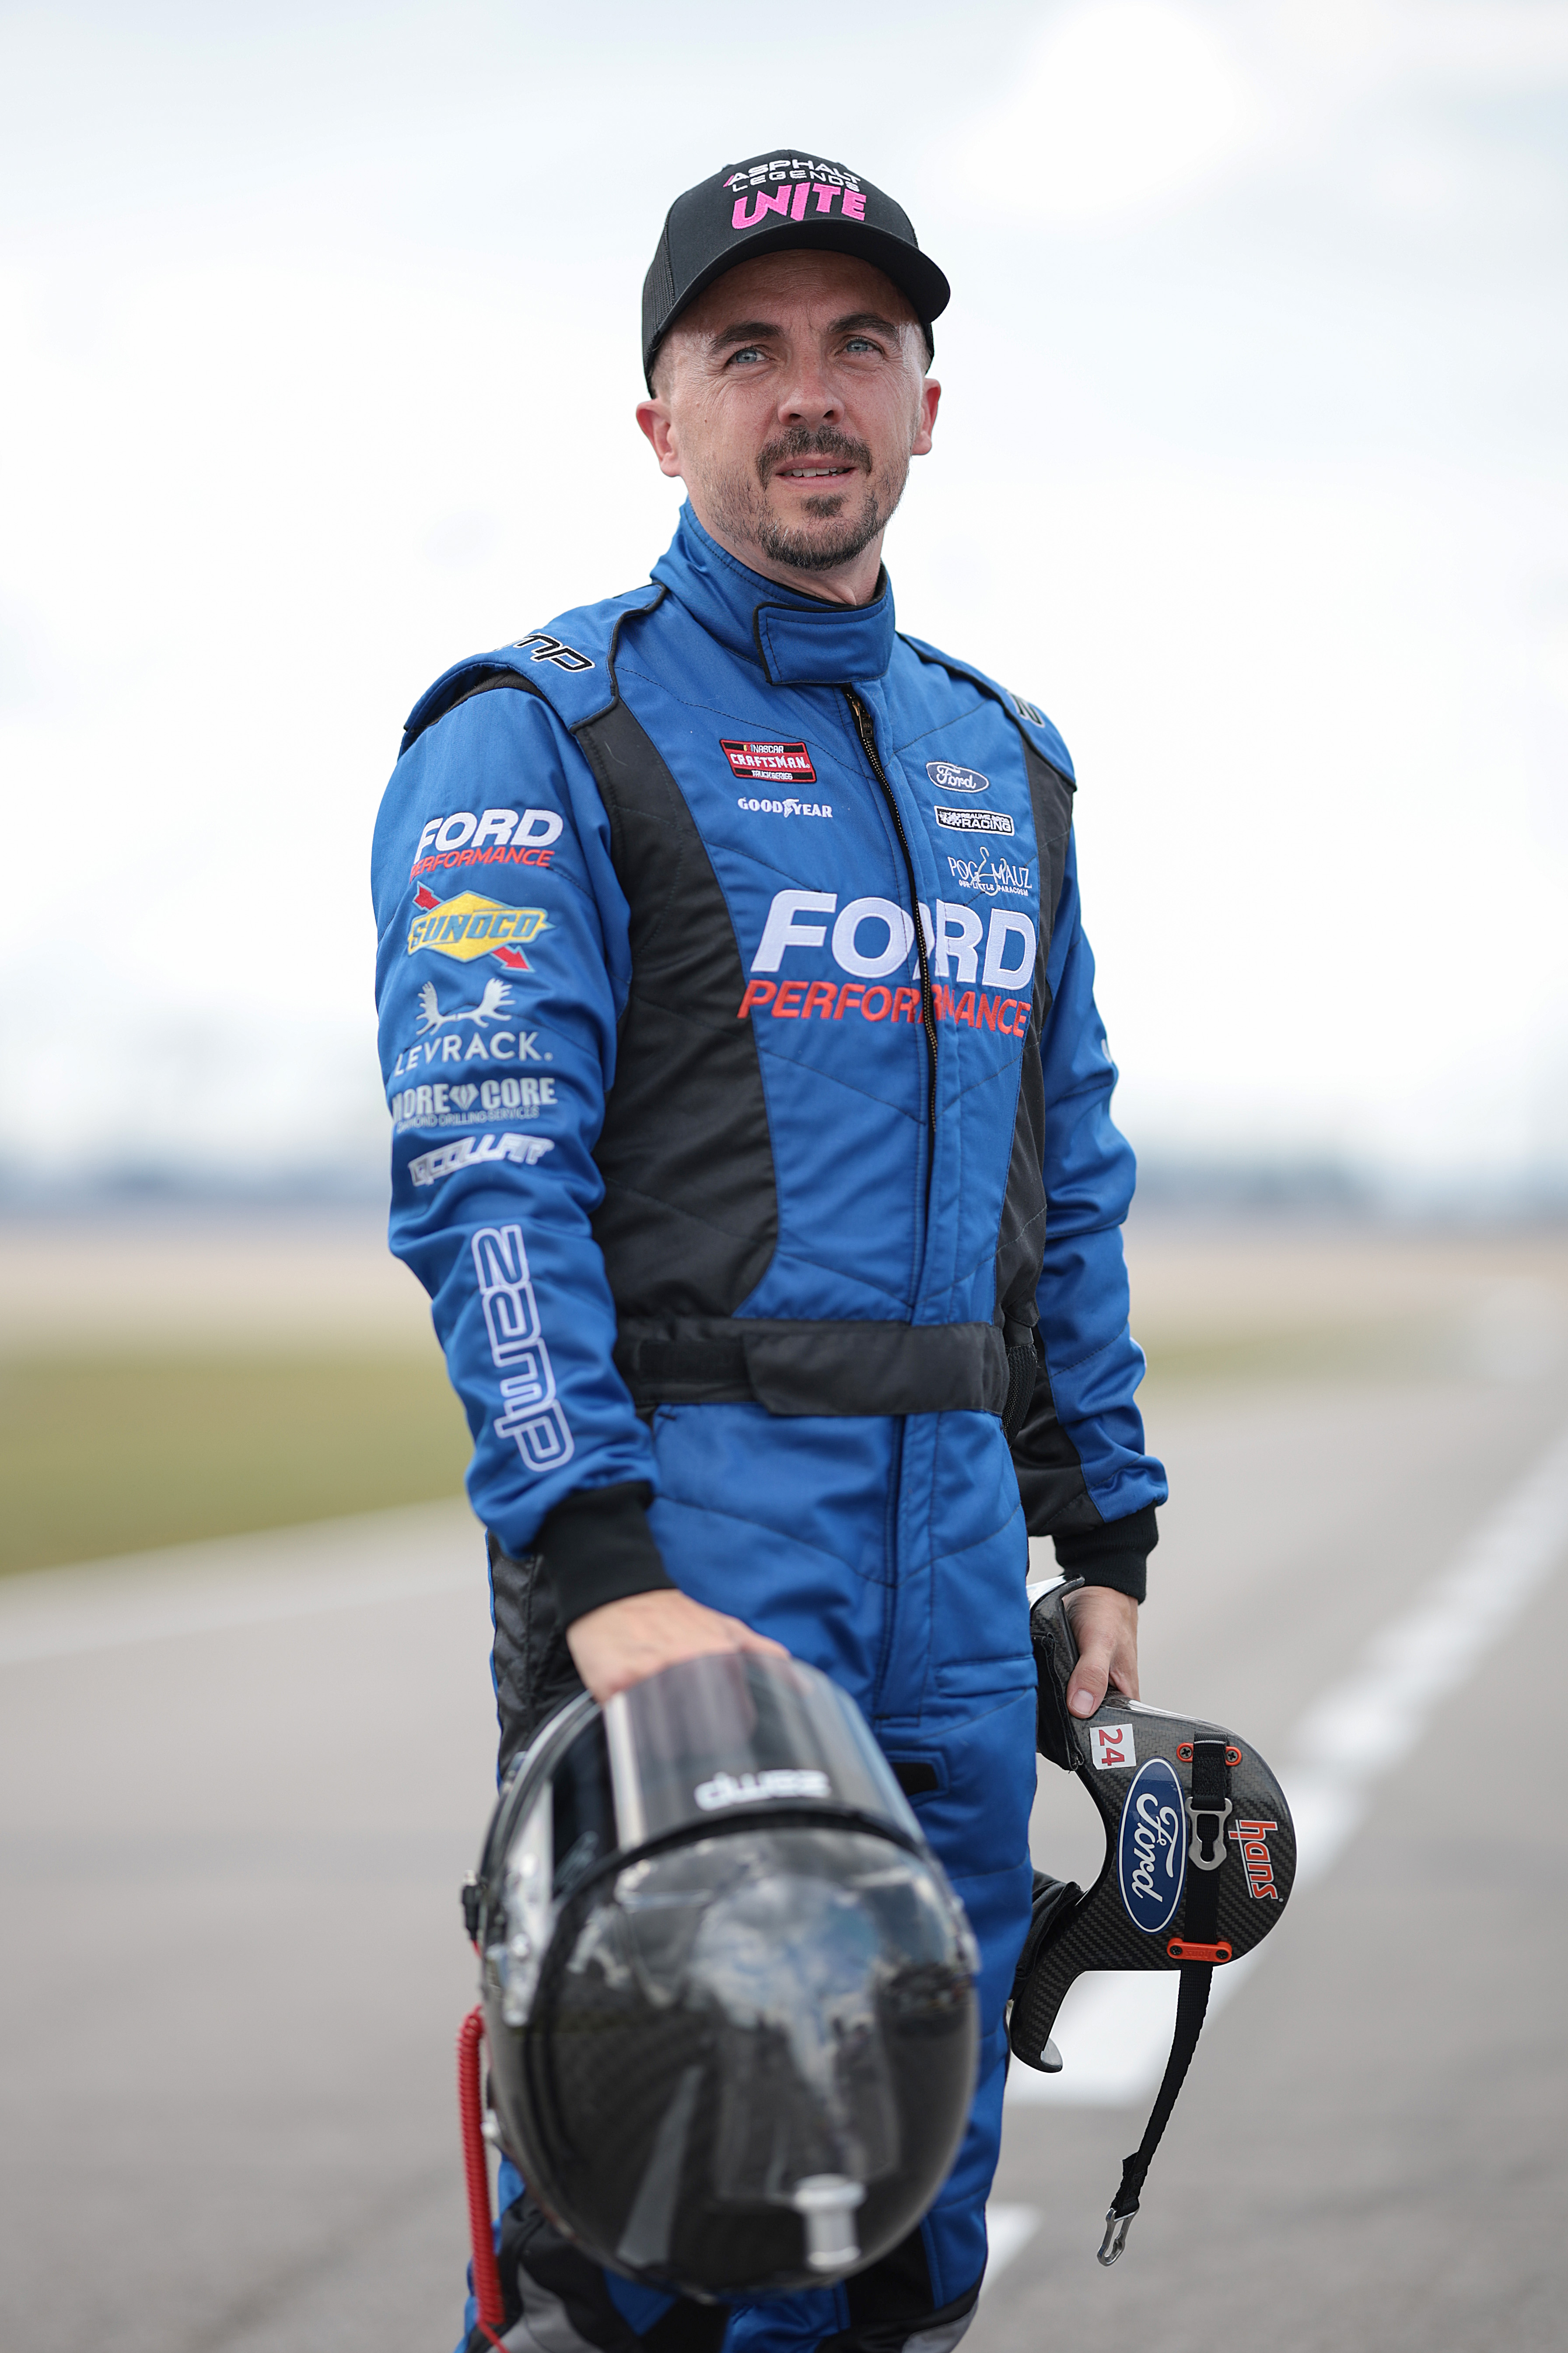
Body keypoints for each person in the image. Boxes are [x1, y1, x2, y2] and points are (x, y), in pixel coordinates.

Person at [372, 147, 1167, 2353]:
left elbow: (1059, 1165)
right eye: (749, 352)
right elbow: (483, 1174)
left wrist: (1095, 1516)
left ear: (927, 401)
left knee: (907, 2200)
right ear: (659, 417)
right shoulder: (539, 730)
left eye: (858, 347)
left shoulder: (1006, 759)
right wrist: (595, 1558)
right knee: (652, 2216)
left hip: (946, 1589)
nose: (807, 395)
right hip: (694, 1560)